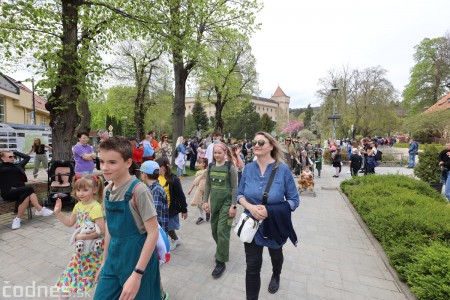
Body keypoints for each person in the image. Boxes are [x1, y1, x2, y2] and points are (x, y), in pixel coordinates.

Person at [94, 136, 161, 300]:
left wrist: (137, 274)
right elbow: (110, 227)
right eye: (102, 162)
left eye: (112, 162)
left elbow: (153, 234)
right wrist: (104, 261)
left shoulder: (139, 191)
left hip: (137, 259)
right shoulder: (108, 190)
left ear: (128, 162)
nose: (105, 167)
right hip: (113, 257)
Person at [237, 132, 299, 299]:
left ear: (271, 146)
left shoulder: (283, 170)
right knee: (252, 266)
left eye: (261, 142)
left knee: (276, 255)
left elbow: (294, 200)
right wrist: (251, 207)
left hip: (274, 225)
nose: (256, 145)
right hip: (252, 224)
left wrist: (270, 211)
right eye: (254, 141)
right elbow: (239, 194)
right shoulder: (248, 169)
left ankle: (276, 274)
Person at [54, 174, 105, 299]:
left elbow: (102, 230)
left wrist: (83, 237)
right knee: (71, 273)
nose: (81, 193)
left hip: (94, 251)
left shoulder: (95, 207)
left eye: (85, 190)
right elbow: (70, 223)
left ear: (94, 190)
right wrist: (58, 213)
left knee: (97, 275)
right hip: (81, 249)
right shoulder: (78, 205)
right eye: (78, 190)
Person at [202, 142, 238, 278]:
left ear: (225, 153)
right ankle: (221, 250)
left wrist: (233, 205)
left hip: (227, 203)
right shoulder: (210, 167)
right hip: (214, 204)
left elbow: (235, 187)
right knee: (214, 230)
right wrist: (205, 201)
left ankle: (221, 261)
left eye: (219, 153)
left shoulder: (230, 167)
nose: (217, 155)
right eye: (215, 153)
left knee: (222, 231)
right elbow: (207, 185)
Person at [139, 160, 170, 300]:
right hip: (155, 233)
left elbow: (153, 215)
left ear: (144, 175)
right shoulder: (153, 188)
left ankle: (161, 294)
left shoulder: (155, 191)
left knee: (153, 266)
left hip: (156, 235)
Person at [0, 150, 53, 229]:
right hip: (8, 192)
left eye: (13, 156)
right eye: (10, 157)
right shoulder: (1, 167)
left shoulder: (18, 165)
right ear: (2, 158)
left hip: (21, 191)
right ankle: (39, 209)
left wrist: (14, 152)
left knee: (27, 195)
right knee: (29, 189)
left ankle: (17, 219)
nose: (13, 158)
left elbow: (27, 157)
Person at [155, 157, 188, 251]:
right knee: (161, 227)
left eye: (157, 167)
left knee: (168, 227)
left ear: (163, 167)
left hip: (169, 208)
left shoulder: (173, 180)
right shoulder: (156, 177)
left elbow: (180, 195)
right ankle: (165, 242)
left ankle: (174, 240)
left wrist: (184, 210)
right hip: (158, 208)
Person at [188, 157, 209, 225]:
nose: (198, 164)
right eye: (198, 163)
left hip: (205, 191)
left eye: (200, 163)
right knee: (199, 203)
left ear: (204, 164)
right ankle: (201, 217)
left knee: (205, 202)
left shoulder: (207, 171)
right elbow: (195, 182)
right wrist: (190, 189)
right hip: (199, 190)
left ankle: (207, 211)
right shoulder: (197, 172)